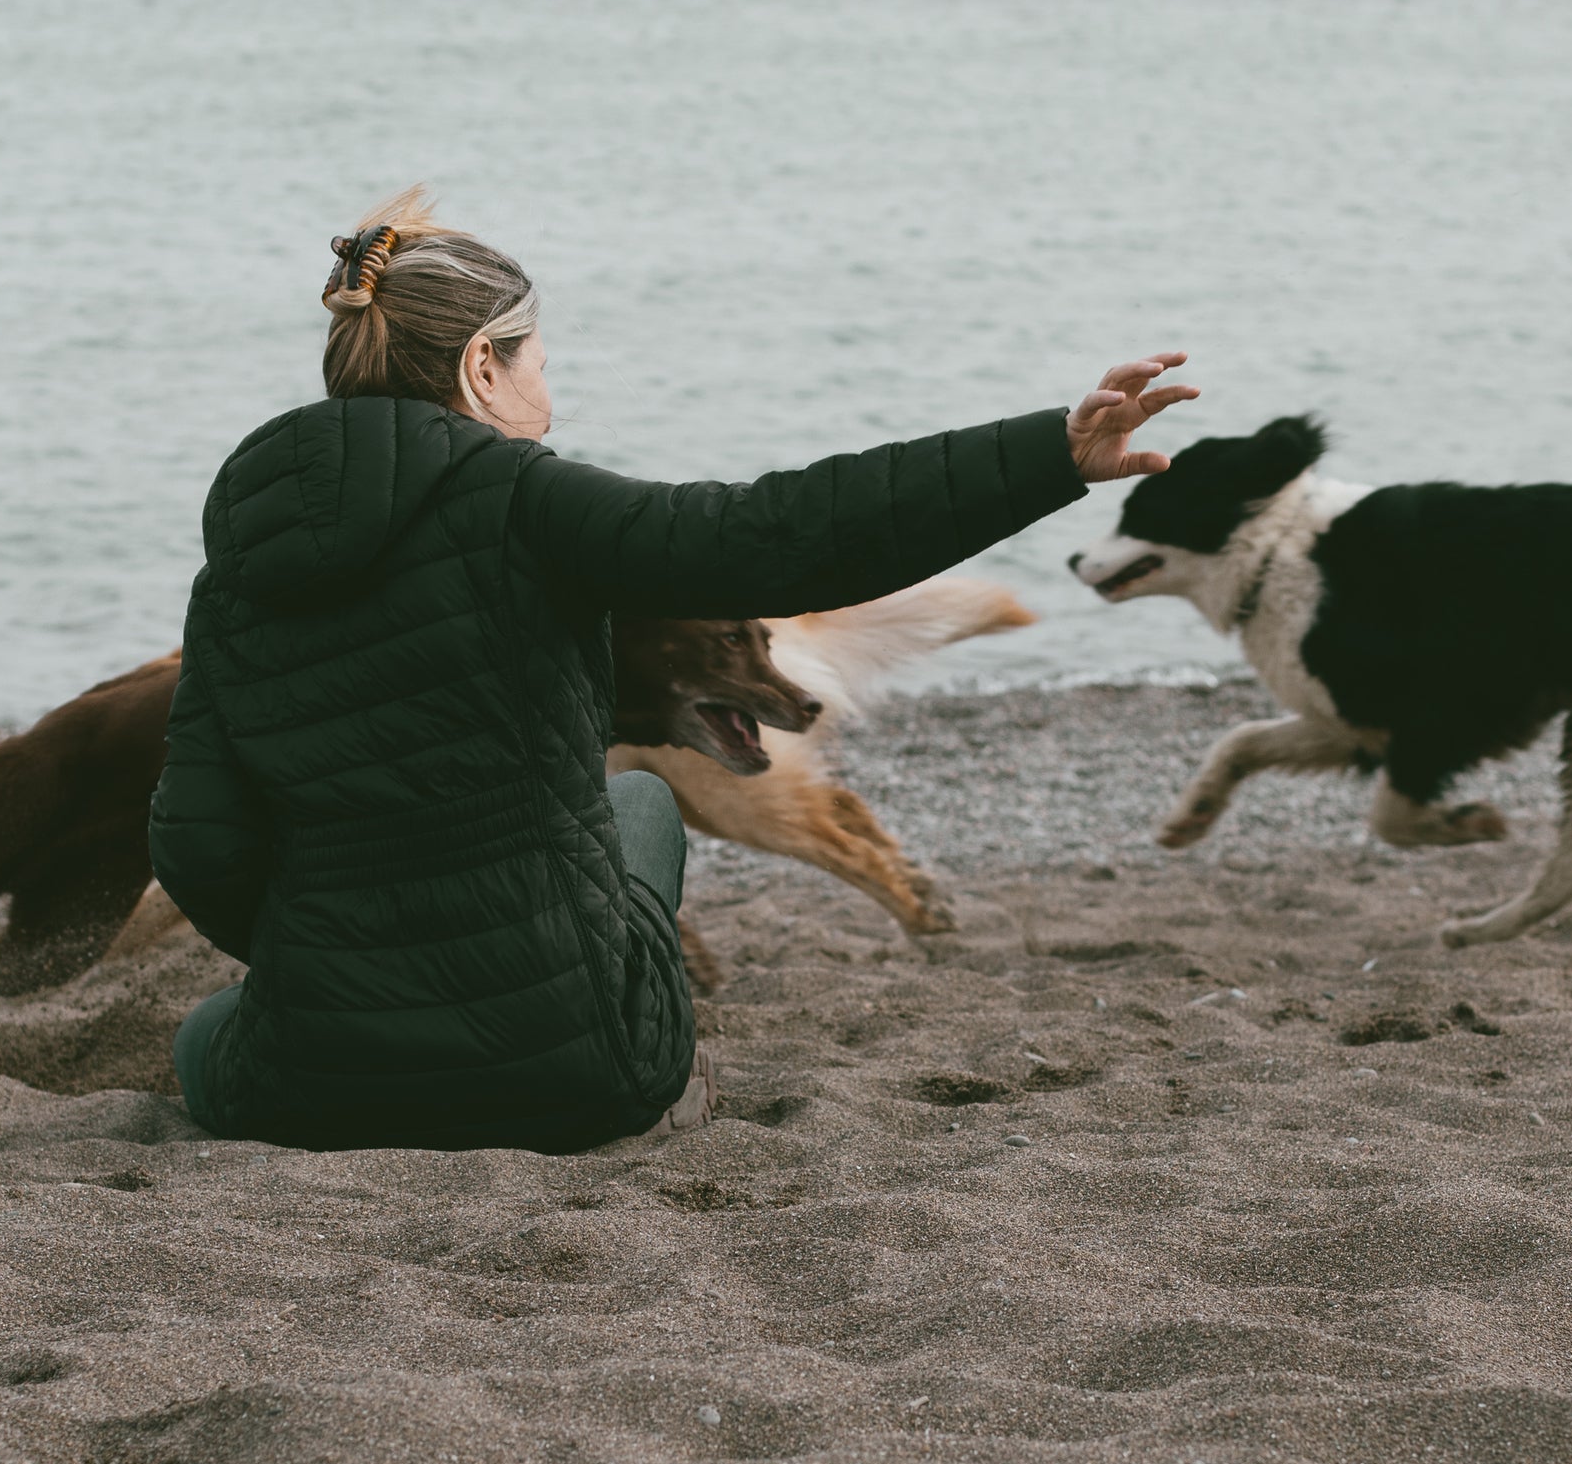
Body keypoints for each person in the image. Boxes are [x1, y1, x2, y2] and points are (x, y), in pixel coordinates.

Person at [150, 189, 1195, 1153]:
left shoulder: (237, 569)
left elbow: (196, 844)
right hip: (575, 1066)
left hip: (314, 1085)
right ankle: (658, 1085)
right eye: (539, 366)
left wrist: (328, 954)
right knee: (642, 799)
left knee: (208, 1035)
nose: (547, 400)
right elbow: (780, 533)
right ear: (480, 367)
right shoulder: (525, 497)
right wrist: (1050, 455)